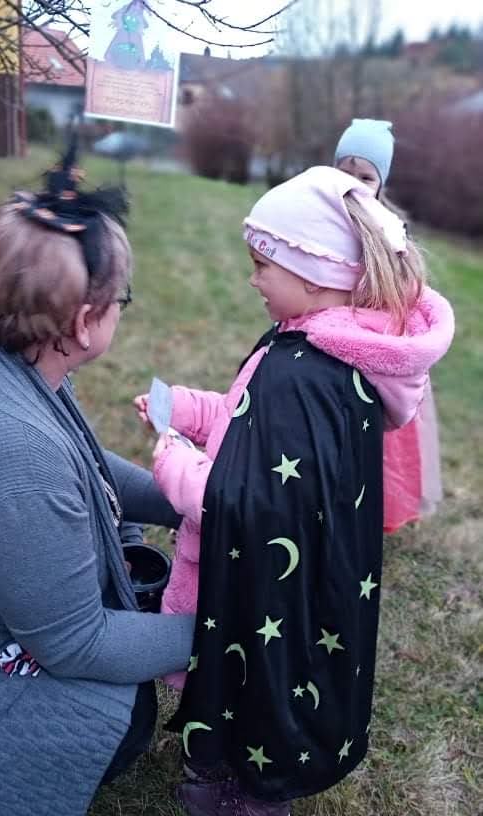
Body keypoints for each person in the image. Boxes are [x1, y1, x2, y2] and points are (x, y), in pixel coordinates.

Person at [0, 147, 195, 816]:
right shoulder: (13, 454)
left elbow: (85, 462)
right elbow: (75, 642)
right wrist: (220, 626)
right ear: (82, 322)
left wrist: (191, 499)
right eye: (121, 301)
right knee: (119, 712)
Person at [135, 167, 454, 815]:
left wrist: (171, 458)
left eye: (262, 266)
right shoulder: (325, 351)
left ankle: (247, 791)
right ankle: (232, 767)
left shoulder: (301, 376)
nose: (253, 280)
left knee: (258, 682)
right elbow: (246, 421)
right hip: (300, 583)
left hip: (265, 593)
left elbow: (243, 503)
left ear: (313, 275)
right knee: (269, 677)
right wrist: (192, 410)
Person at [334, 117, 444, 531]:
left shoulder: (390, 229)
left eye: (366, 177)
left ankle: (368, 507)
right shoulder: (320, 214)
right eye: (345, 172)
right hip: (332, 330)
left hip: (373, 341)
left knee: (373, 433)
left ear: (381, 183)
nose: (355, 184)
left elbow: (400, 286)